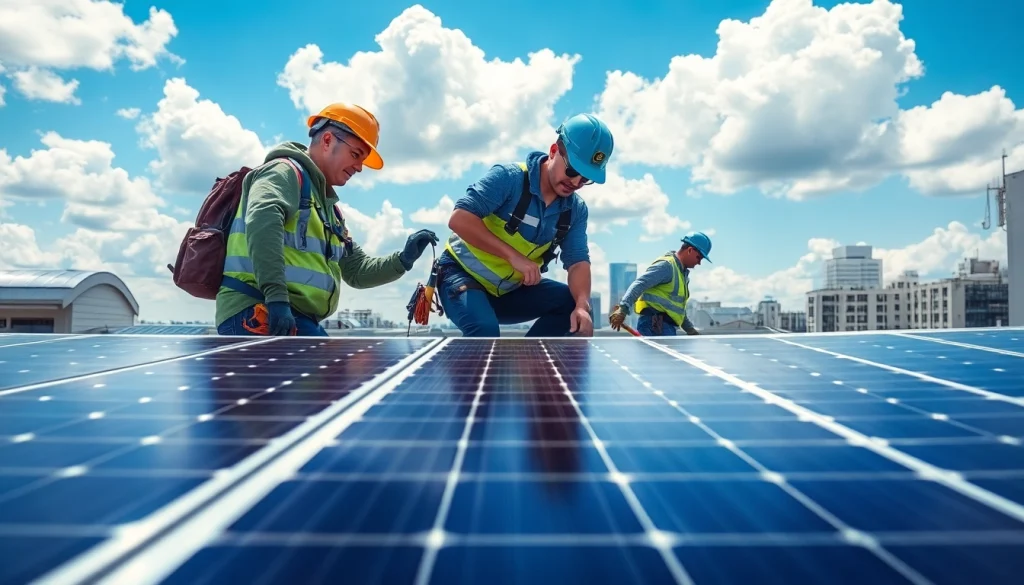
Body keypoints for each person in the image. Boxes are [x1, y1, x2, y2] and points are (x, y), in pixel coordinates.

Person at [215, 102, 438, 337]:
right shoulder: (283, 173)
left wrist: (403, 259)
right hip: (258, 311)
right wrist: (277, 297)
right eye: (355, 155)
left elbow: (356, 271)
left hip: (290, 314)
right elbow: (263, 221)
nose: (359, 168)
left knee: (335, 361)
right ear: (328, 140)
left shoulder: (329, 211)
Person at [435, 113, 614, 338]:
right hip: (460, 277)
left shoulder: (576, 211)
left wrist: (581, 306)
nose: (576, 182)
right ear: (553, 151)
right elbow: (459, 219)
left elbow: (578, 262)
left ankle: (532, 358)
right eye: (573, 171)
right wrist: (514, 257)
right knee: (484, 331)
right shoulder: (509, 179)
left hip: (508, 292)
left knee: (573, 305)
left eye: (585, 178)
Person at [609, 232, 712, 336]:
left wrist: (689, 329)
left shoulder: (680, 273)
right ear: (690, 250)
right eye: (699, 257)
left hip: (664, 326)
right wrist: (623, 309)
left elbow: (676, 309)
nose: (699, 263)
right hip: (655, 324)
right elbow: (640, 284)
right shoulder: (667, 266)